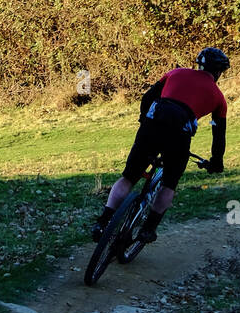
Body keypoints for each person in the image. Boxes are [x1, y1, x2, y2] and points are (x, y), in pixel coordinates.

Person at [91, 47, 230, 246]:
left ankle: (102, 222)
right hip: (179, 136)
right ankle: (148, 229)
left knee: (129, 177)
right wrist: (216, 162)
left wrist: (143, 121)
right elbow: (219, 137)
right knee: (169, 184)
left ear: (199, 64)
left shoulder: (176, 73)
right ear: (219, 72)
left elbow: (148, 98)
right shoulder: (219, 98)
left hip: (153, 123)